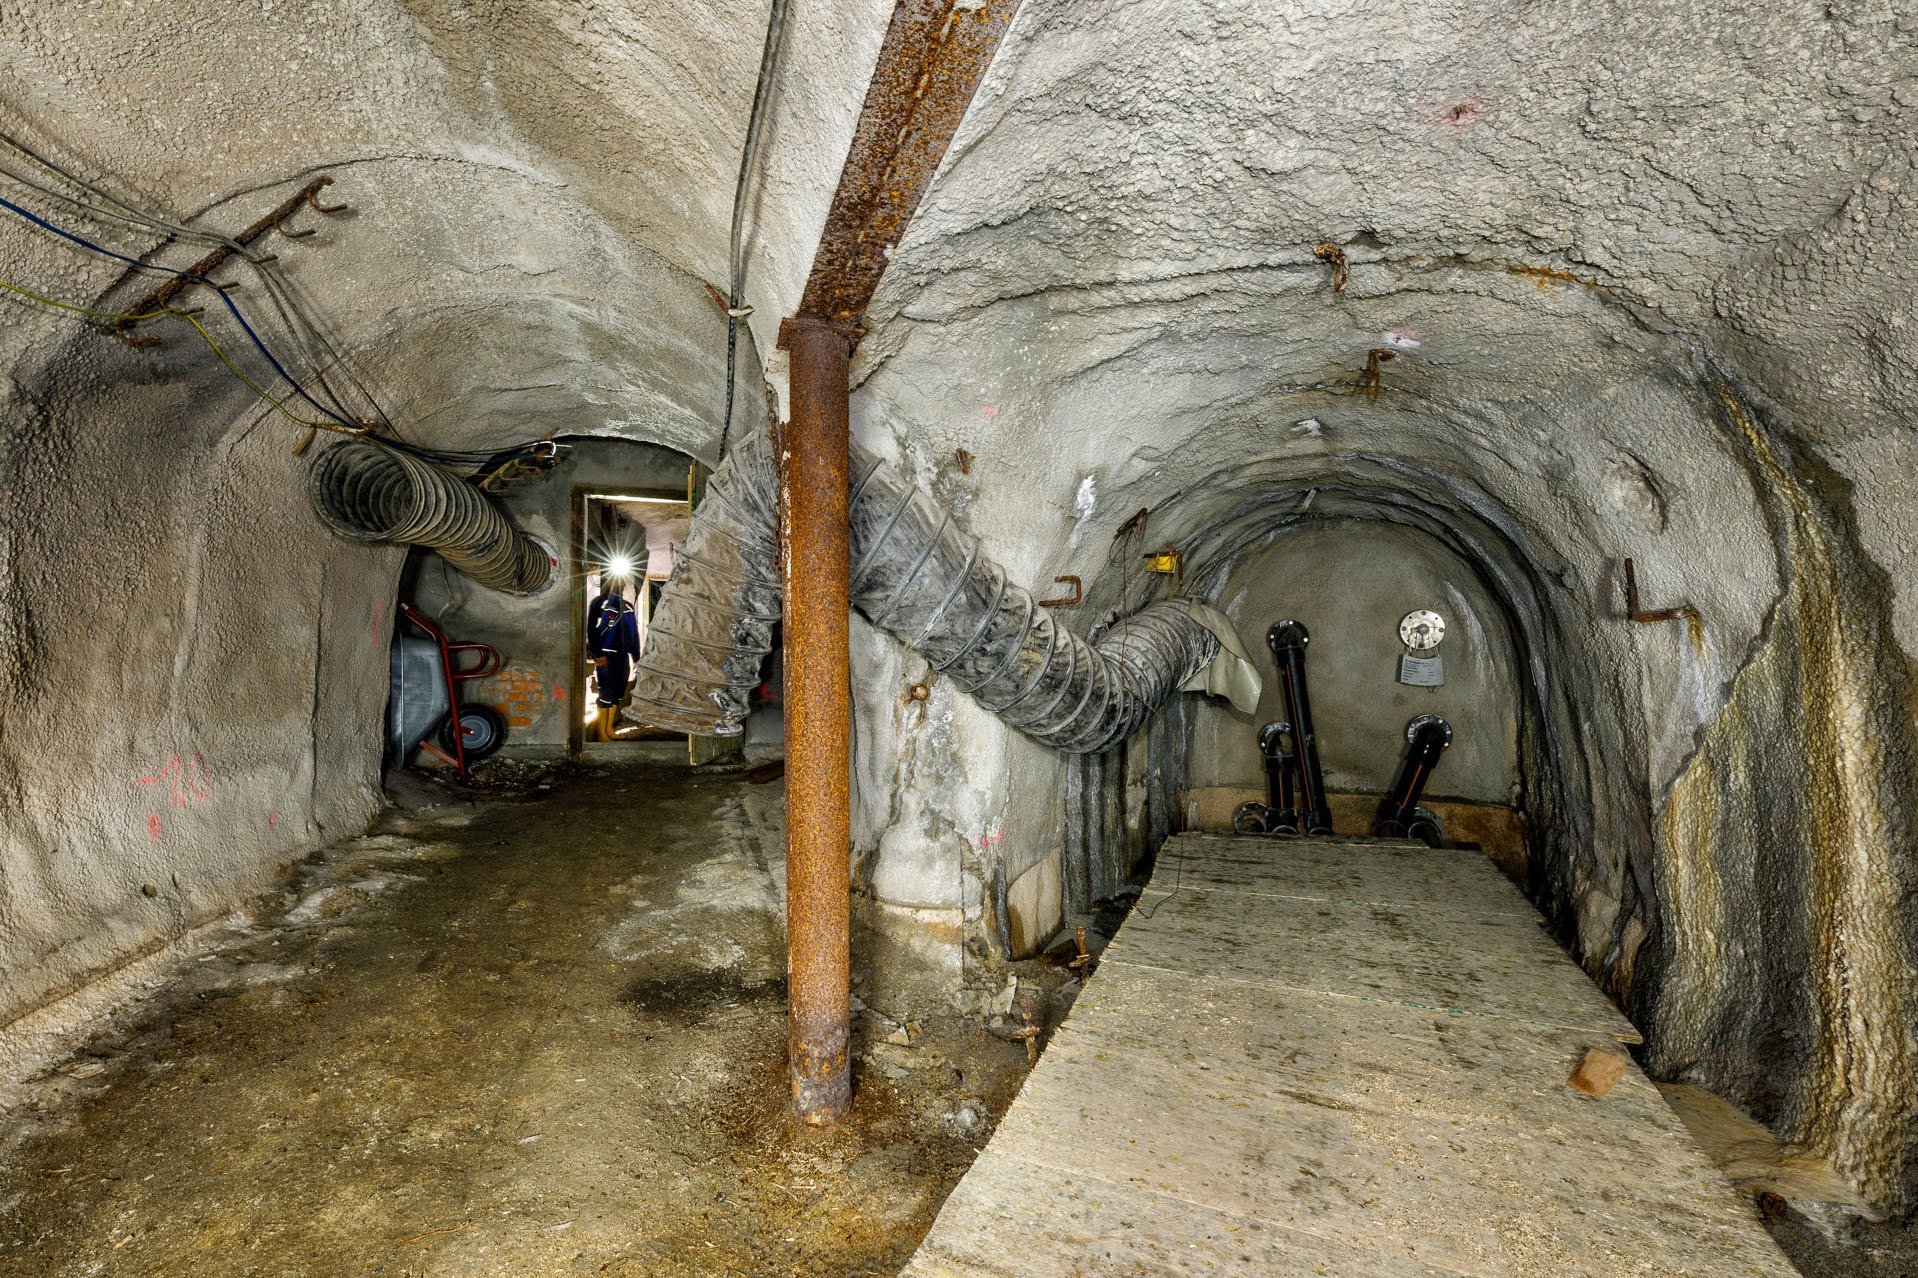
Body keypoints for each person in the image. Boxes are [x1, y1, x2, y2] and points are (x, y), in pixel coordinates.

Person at [587, 576, 641, 742]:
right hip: (605, 654)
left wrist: (636, 656)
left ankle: (609, 729)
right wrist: (597, 653)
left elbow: (633, 633)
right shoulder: (599, 603)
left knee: (618, 692)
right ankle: (602, 733)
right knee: (606, 693)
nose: (618, 586)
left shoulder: (627, 607)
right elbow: (591, 629)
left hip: (622, 655)